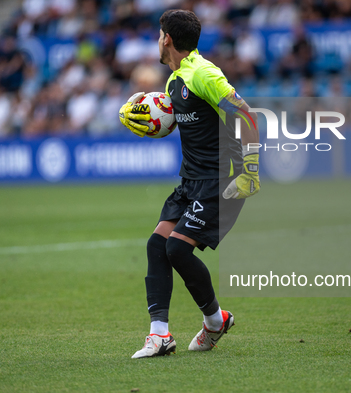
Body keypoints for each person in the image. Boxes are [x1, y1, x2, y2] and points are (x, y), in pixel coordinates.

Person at [119, 9, 260, 359]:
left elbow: (244, 114)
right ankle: (160, 335)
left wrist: (250, 172)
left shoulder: (204, 73)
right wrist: (154, 116)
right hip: (191, 182)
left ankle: (215, 321)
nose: (157, 39)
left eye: (158, 33)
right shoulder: (173, 81)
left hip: (220, 181)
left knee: (177, 248)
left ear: (167, 38)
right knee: (157, 245)